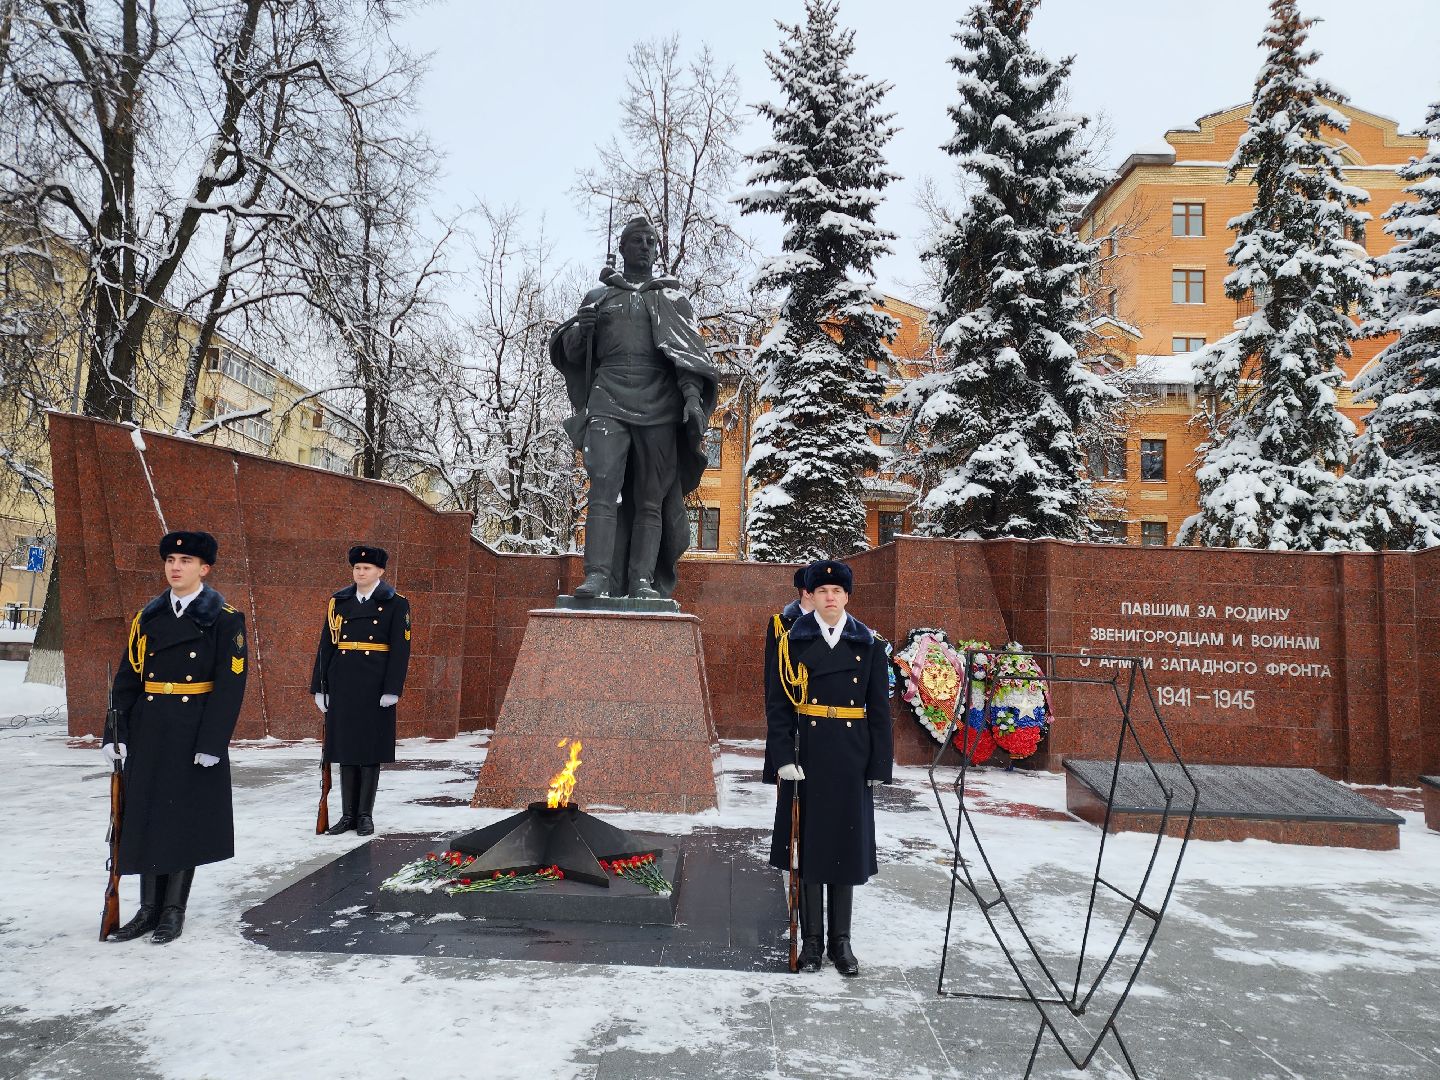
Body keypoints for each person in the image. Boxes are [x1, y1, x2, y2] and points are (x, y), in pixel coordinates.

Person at [549, 216, 720, 599]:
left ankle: (642, 580)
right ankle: (596, 576)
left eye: (651, 242)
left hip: (659, 403)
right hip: (607, 395)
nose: (645, 247)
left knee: (650, 498)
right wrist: (583, 328)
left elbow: (689, 357)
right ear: (622, 247)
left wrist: (692, 398)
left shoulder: (674, 299)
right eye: (637, 241)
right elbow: (574, 354)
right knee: (603, 489)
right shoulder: (600, 296)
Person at [104, 530, 247, 944]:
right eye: (170, 560)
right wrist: (116, 731)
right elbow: (128, 677)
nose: (175, 567)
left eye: (184, 561)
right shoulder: (148, 617)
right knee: (147, 815)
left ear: (204, 569)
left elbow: (231, 684)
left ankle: (172, 910)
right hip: (150, 728)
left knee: (183, 819)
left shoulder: (224, 617)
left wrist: (212, 742)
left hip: (193, 729)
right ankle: (147, 909)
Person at [763, 559, 893, 976]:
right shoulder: (791, 642)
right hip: (809, 757)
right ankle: (813, 943)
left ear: (847, 597)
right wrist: (782, 758)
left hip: (852, 756)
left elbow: (879, 710)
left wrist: (878, 763)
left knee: (846, 848)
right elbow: (778, 706)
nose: (830, 598)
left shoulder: (869, 644)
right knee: (809, 851)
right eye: (822, 592)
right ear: (811, 597)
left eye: (837, 592)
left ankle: (842, 943)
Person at [311, 545, 411, 836]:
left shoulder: (395, 603)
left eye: (366, 568)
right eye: (357, 568)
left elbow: (401, 650)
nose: (360, 572)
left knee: (369, 750)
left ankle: (365, 814)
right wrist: (320, 687)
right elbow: (325, 646)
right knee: (345, 750)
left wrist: (393, 688)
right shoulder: (339, 601)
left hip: (375, 685)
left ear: (379, 571)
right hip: (342, 682)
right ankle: (347, 815)